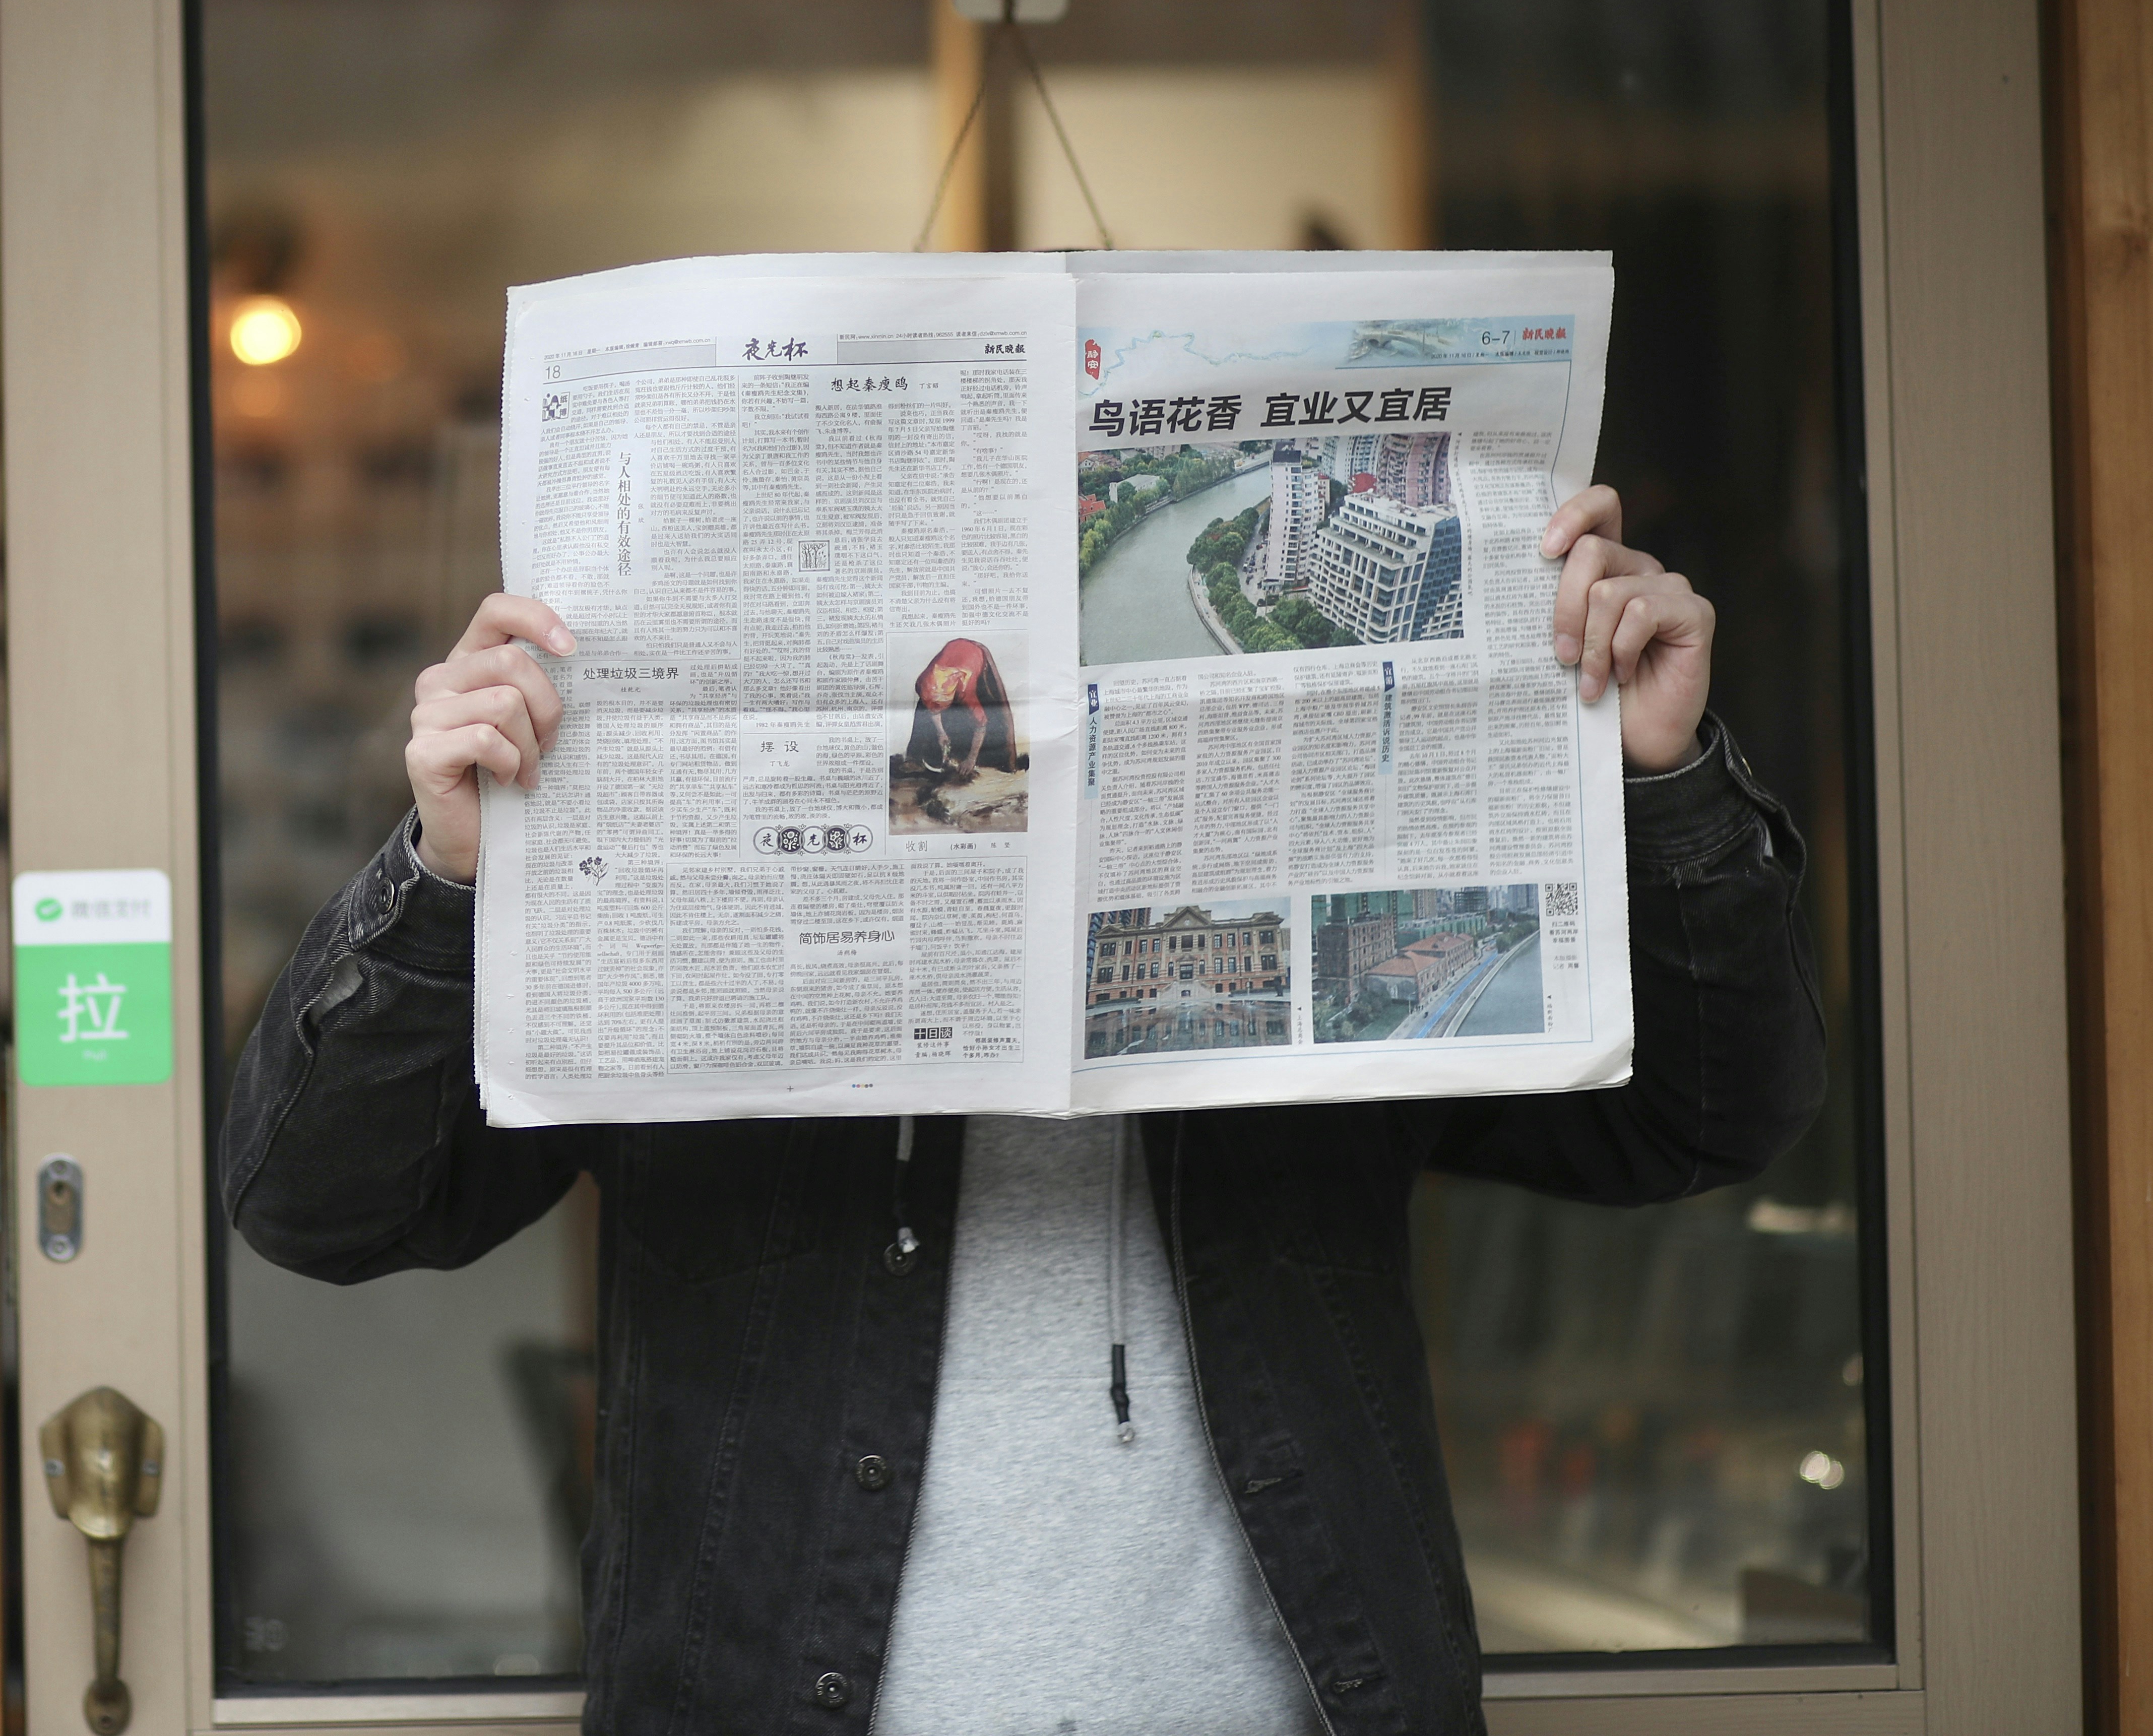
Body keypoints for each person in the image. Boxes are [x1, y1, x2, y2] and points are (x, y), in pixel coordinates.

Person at [220, 486, 1820, 1735]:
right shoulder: (667, 900)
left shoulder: (1323, 911)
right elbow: (322, 1203)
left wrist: (1663, 783)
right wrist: (448, 877)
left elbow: (1701, 1122)